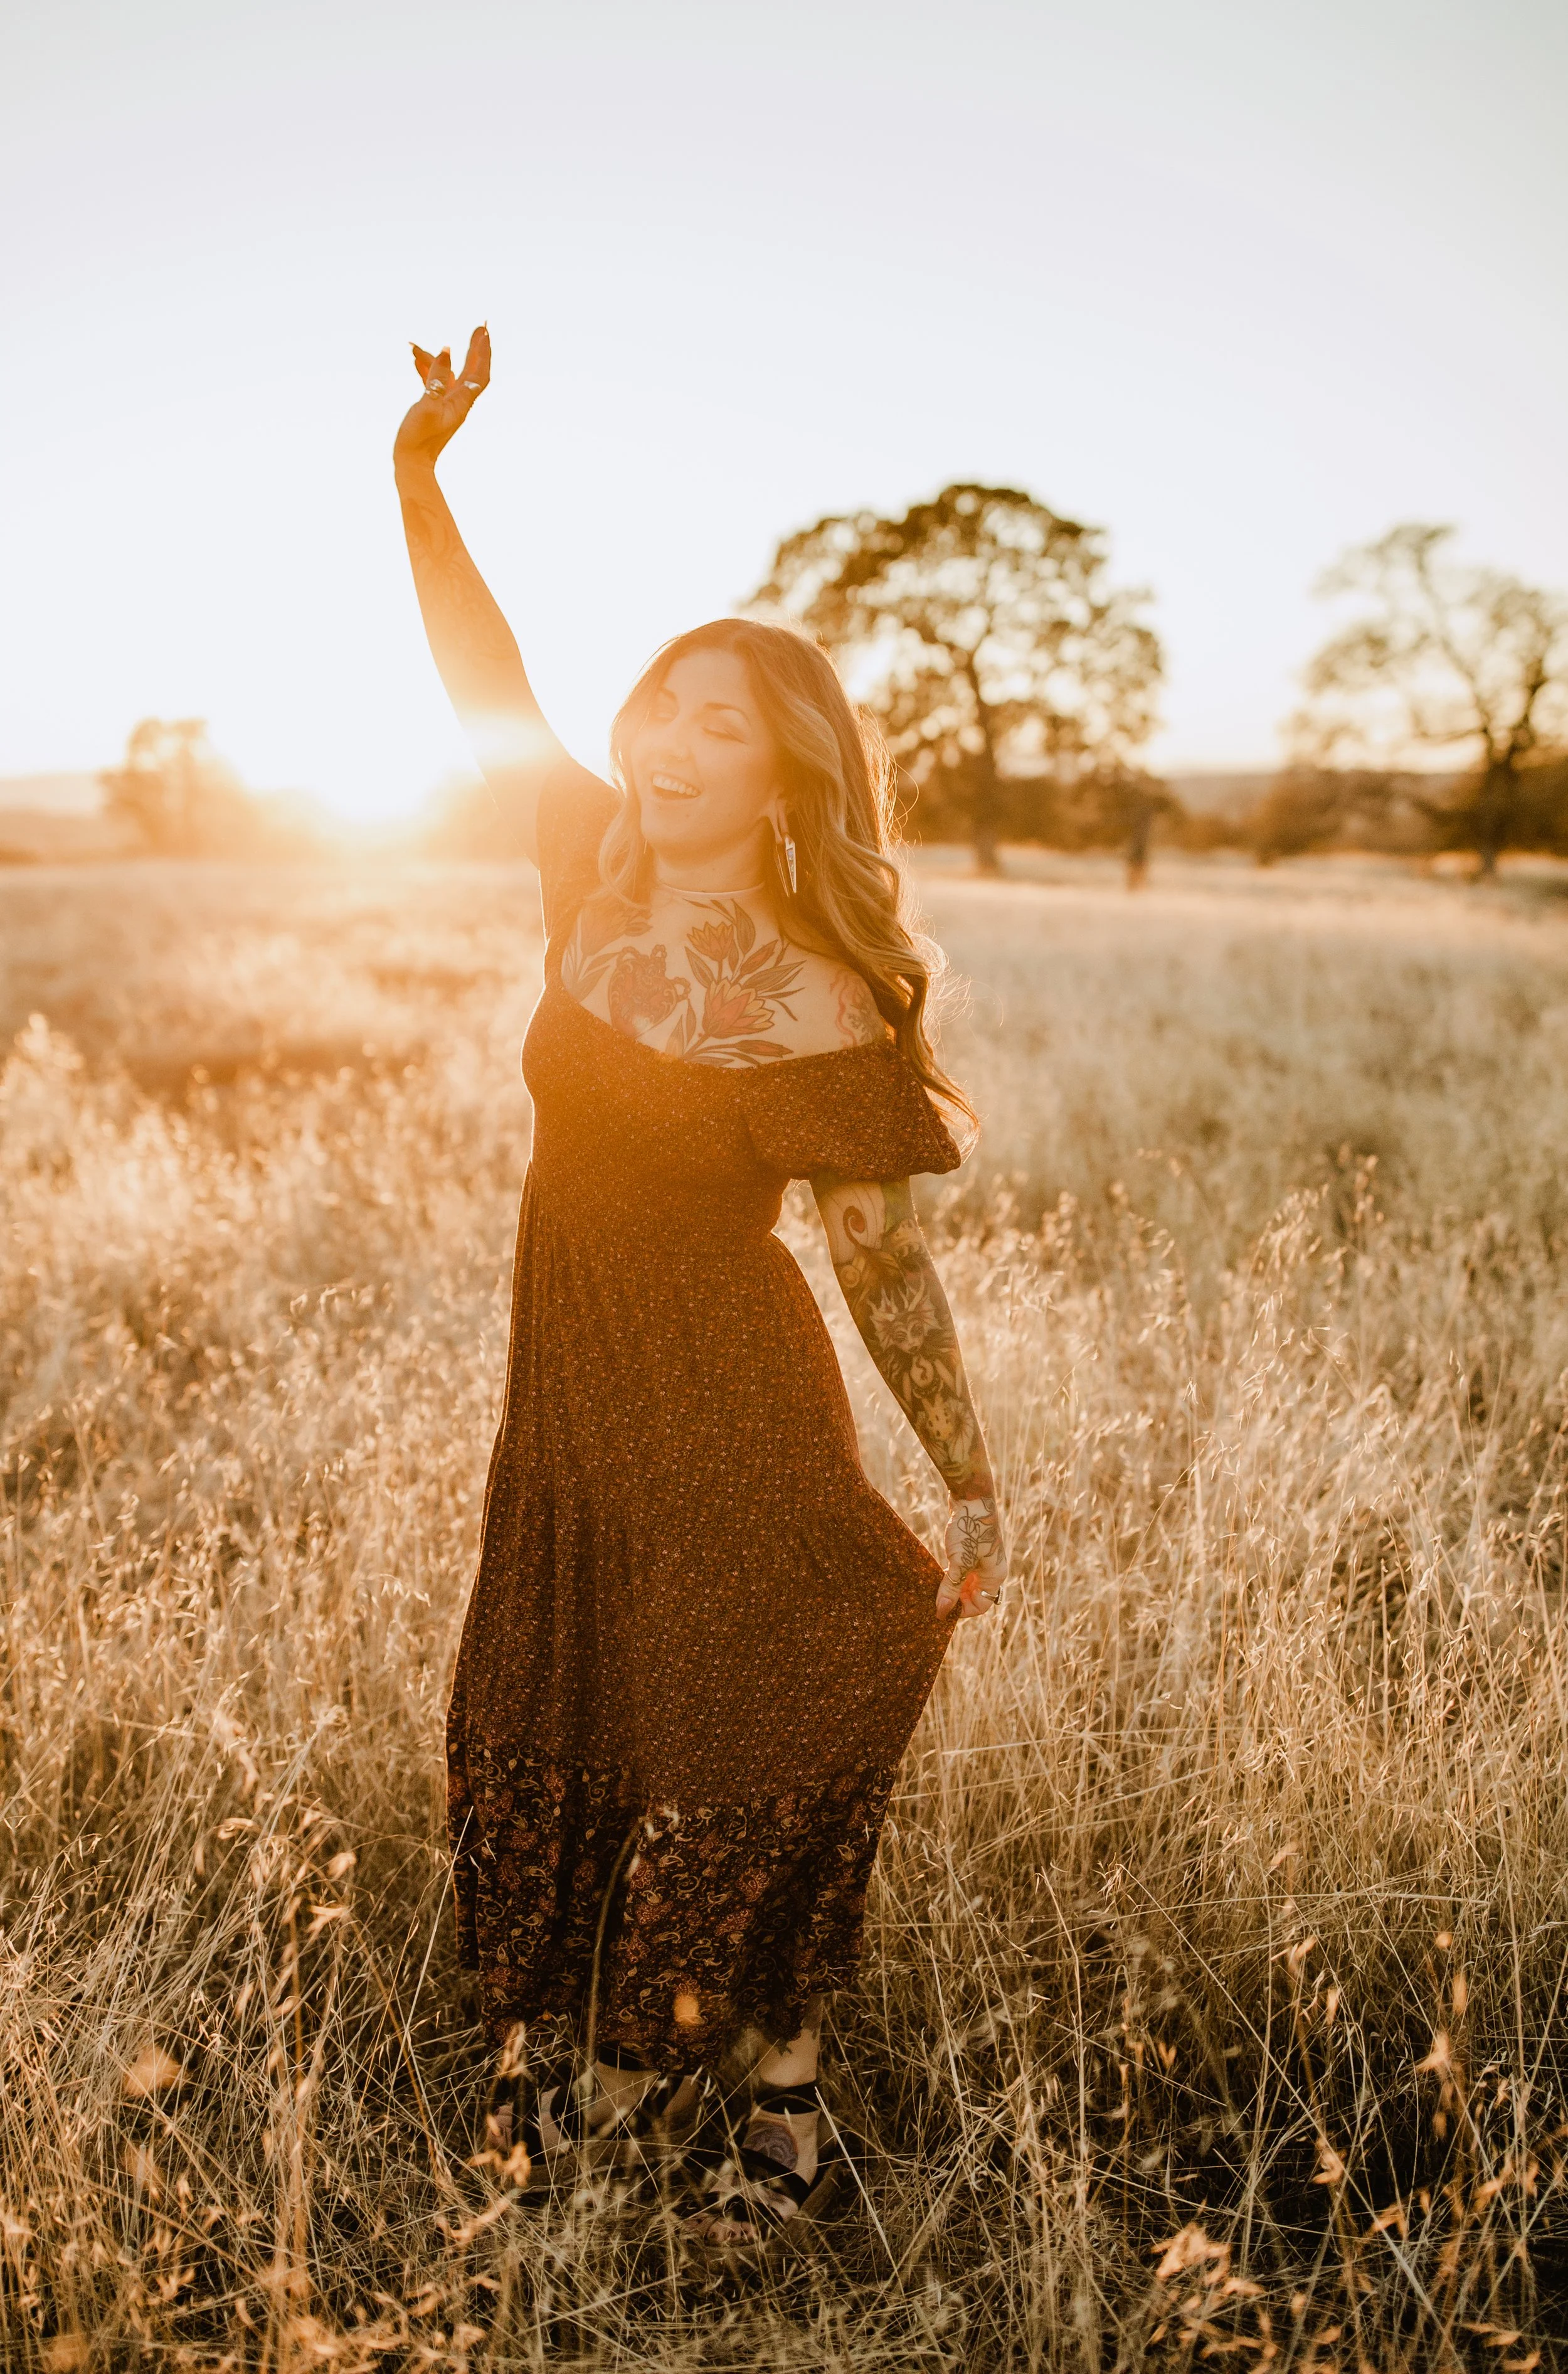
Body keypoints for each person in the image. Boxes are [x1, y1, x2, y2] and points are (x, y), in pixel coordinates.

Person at [392, 326, 1009, 2262]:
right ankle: (626, 2073)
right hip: (570, 1412)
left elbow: (883, 1269)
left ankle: (770, 2094)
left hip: (732, 1412)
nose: (666, 742)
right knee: (545, 1727)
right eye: (659, 703)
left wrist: (969, 1478)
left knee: (730, 1759)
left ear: (785, 769)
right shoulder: (583, 863)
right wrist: (420, 477)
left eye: (717, 725)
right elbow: (482, 680)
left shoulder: (823, 999)